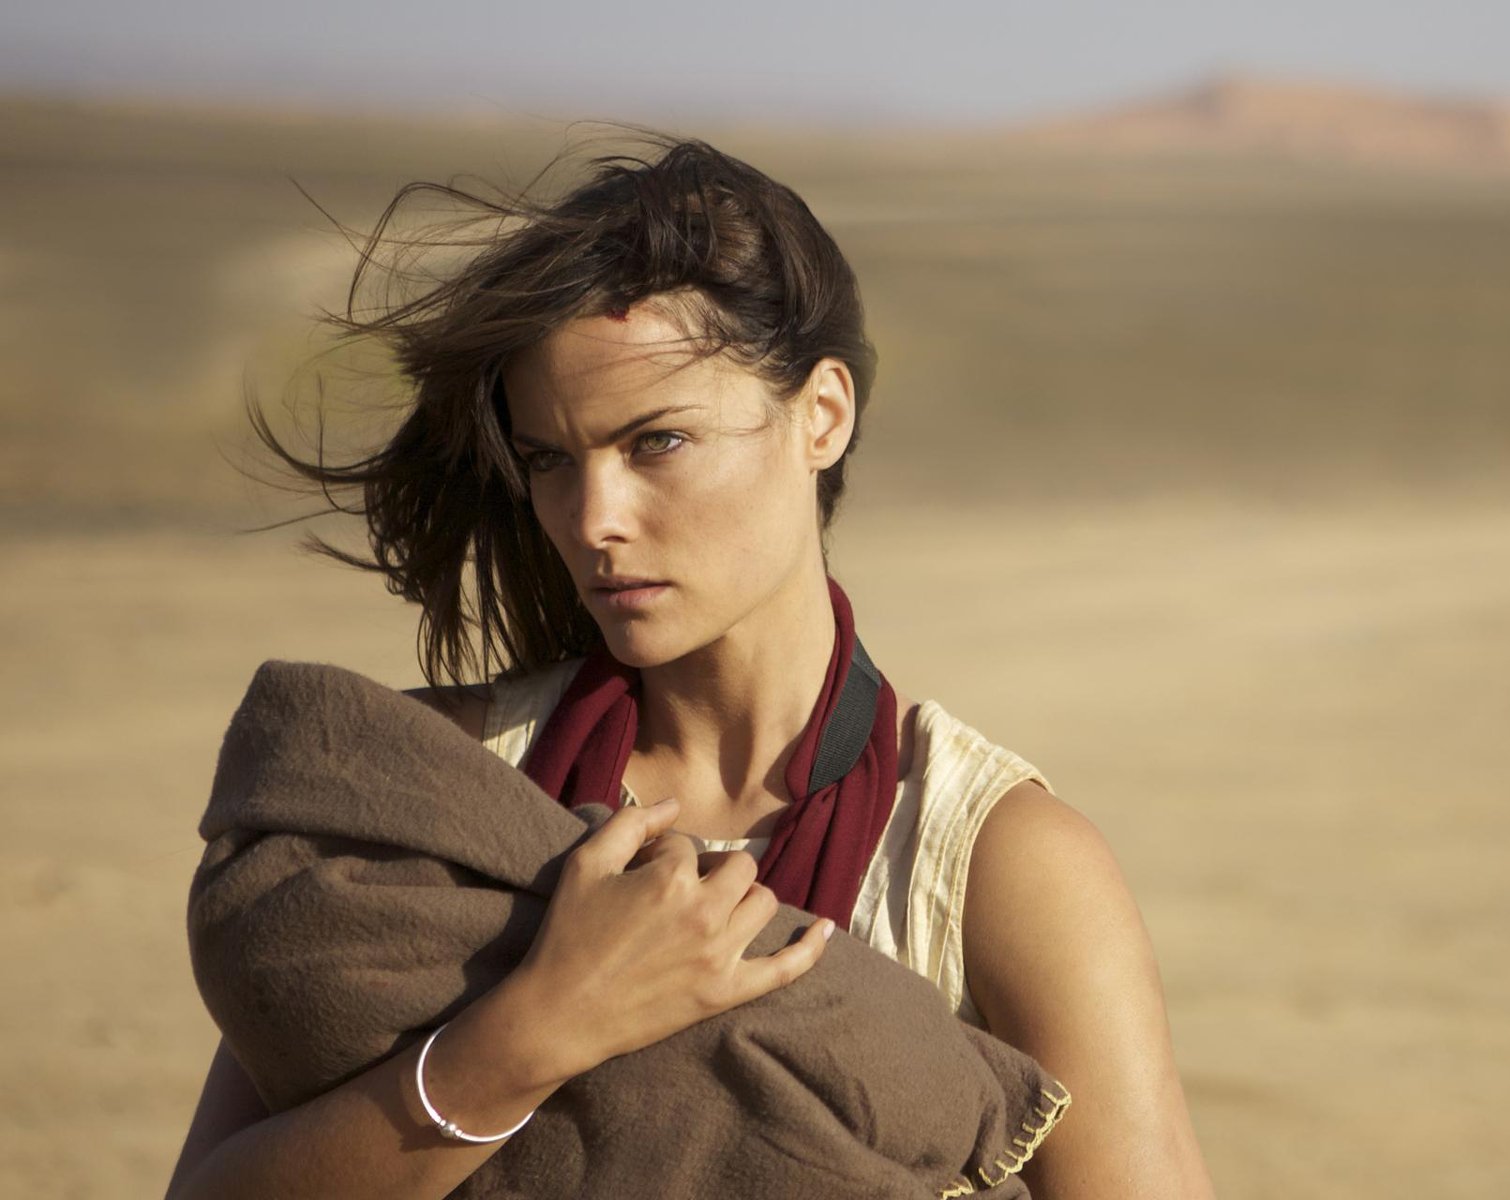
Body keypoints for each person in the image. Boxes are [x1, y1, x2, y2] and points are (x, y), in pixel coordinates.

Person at [165, 136, 1214, 1199]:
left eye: (655, 443)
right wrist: (532, 1034)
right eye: (549, 461)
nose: (592, 520)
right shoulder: (445, 776)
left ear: (823, 415)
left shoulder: (993, 864)